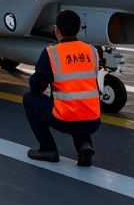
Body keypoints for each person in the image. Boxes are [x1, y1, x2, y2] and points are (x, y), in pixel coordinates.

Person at [23, 9, 103, 165]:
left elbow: (36, 87)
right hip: (93, 120)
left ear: (56, 30)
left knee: (29, 99)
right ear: (78, 29)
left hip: (65, 120)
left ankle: (48, 149)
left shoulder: (51, 53)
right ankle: (83, 145)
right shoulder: (92, 51)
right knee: (78, 103)